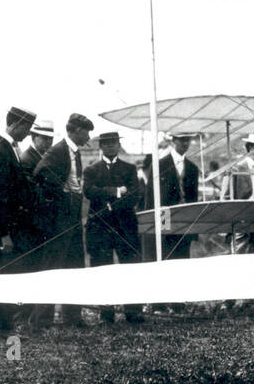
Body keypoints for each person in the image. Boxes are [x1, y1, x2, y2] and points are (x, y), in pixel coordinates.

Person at [0, 106, 37, 334]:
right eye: (26, 128)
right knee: (7, 275)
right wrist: (4, 234)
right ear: (15, 125)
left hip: (12, 227)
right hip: (7, 229)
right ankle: (2, 326)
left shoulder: (7, 149)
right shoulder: (0, 153)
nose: (27, 133)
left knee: (8, 273)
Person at [33, 112, 94, 326]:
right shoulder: (58, 150)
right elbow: (41, 173)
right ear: (76, 131)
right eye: (86, 132)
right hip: (60, 219)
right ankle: (42, 319)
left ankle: (72, 316)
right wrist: (61, 196)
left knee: (75, 264)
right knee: (52, 266)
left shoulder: (74, 152)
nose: (88, 136)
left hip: (74, 217)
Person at [83, 131, 144, 324]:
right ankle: (106, 313)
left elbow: (134, 195)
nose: (110, 146)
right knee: (103, 268)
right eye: (106, 143)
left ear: (119, 145)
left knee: (131, 268)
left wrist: (109, 203)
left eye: (113, 143)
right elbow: (89, 192)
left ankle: (133, 311)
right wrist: (116, 191)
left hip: (125, 227)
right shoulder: (92, 170)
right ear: (101, 146)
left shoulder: (129, 168)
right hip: (101, 228)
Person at [18, 117, 55, 329]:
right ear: (34, 137)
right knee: (31, 268)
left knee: (41, 267)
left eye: (50, 139)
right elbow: (32, 192)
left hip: (43, 223)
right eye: (44, 138)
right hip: (32, 224)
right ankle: (25, 317)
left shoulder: (43, 156)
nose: (48, 143)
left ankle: (36, 317)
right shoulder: (28, 158)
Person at [146, 131, 201, 260]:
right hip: (165, 217)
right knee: (166, 255)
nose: (185, 143)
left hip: (185, 219)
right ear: (173, 141)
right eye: (181, 140)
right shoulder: (159, 165)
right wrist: (151, 226)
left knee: (183, 256)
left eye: (187, 140)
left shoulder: (192, 168)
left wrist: (193, 227)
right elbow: (150, 196)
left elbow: (194, 198)